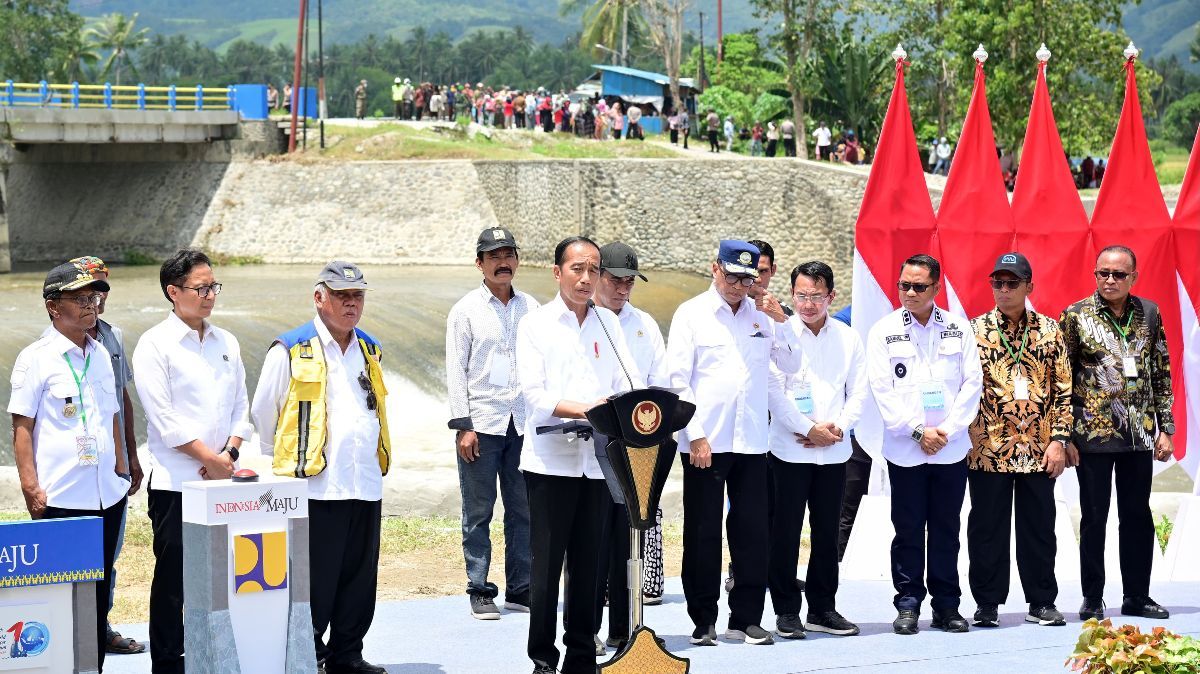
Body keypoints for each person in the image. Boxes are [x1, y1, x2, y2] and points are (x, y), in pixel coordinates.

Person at [251, 262, 390, 674]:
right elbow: (263, 412)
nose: (351, 303)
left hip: (364, 482)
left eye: (357, 296)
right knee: (315, 579)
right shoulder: (291, 348)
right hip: (315, 487)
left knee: (359, 578)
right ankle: (309, 651)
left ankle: (348, 653)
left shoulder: (369, 347)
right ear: (319, 297)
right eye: (342, 295)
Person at [666, 240, 802, 647]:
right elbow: (677, 381)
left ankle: (745, 618)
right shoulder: (691, 314)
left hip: (752, 443)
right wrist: (696, 436)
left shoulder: (763, 317)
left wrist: (779, 319)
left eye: (748, 278)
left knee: (752, 533)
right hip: (706, 441)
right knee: (704, 532)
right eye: (732, 276)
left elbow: (792, 365)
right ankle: (703, 618)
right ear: (714, 269)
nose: (739, 285)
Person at [518, 237, 637, 674]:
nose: (586, 278)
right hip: (550, 463)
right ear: (557, 272)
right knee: (548, 567)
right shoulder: (536, 324)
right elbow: (535, 395)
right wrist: (592, 409)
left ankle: (582, 655)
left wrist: (628, 408)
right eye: (577, 269)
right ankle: (543, 659)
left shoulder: (608, 322)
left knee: (591, 565)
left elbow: (630, 381)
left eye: (593, 269)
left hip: (599, 462)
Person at [133, 249, 251, 674]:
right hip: (176, 483)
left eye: (213, 287)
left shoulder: (226, 341)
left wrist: (230, 454)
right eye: (201, 288)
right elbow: (164, 420)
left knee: (223, 574)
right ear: (173, 291)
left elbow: (242, 405)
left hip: (224, 479)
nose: (209, 296)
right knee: (174, 580)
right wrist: (208, 458)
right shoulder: (154, 344)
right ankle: (168, 662)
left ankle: (215, 655)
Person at [10, 261, 129, 673]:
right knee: (60, 598)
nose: (91, 305)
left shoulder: (99, 354)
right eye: (80, 298)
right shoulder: (36, 359)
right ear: (52, 306)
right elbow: (22, 427)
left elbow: (112, 414)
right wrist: (30, 486)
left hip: (105, 494)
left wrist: (121, 468)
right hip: (61, 498)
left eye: (94, 297)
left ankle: (92, 667)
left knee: (96, 597)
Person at [865, 253, 982, 635]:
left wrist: (946, 430)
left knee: (947, 530)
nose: (910, 293)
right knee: (909, 528)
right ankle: (908, 603)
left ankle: (948, 605)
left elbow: (971, 385)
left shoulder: (958, 328)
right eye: (904, 285)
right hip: (905, 449)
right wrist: (918, 431)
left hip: (949, 449)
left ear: (936, 287)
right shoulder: (883, 330)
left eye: (919, 286)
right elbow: (882, 391)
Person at [1059, 245, 1174, 622]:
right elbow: (1061, 378)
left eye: (1118, 275)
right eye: (1102, 274)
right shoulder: (1075, 316)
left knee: (1137, 516)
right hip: (1091, 435)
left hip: (1139, 435)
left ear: (1133, 278)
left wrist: (1166, 428)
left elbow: (1161, 371)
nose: (1109, 280)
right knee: (1094, 517)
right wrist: (1064, 436)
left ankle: (1137, 596)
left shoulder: (1150, 313)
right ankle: (1092, 597)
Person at [967, 253, 1072, 628]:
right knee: (986, 529)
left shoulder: (1050, 330)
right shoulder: (973, 331)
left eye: (1013, 283)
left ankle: (1041, 601)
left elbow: (1063, 391)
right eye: (998, 282)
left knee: (1039, 529)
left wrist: (1060, 439)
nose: (1004, 289)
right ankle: (987, 604)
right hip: (988, 448)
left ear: (1030, 286)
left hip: (1040, 449)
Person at [766, 261, 867, 640]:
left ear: (831, 297)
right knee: (785, 532)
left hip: (834, 452)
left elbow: (859, 391)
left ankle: (823, 608)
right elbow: (774, 390)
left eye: (816, 296)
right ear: (792, 295)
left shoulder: (848, 338)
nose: (808, 304)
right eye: (801, 295)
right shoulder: (779, 333)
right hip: (790, 450)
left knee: (826, 533)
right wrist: (808, 428)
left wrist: (837, 428)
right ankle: (787, 610)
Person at [444, 228, 537, 621]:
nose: (503, 262)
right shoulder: (465, 310)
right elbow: (455, 371)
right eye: (494, 256)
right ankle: (480, 590)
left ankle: (521, 588)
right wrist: (463, 426)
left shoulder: (533, 307)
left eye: (509, 254)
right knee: (478, 511)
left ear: (517, 260)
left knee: (524, 511)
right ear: (479, 263)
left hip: (522, 423)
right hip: (480, 425)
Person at [591, 242, 670, 650]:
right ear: (597, 275)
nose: (623, 288)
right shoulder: (585, 322)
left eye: (629, 282)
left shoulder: (646, 325)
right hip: (594, 441)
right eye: (616, 280)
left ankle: (624, 630)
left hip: (639, 443)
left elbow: (660, 381)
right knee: (594, 540)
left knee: (628, 540)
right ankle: (587, 630)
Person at [65, 256, 145, 656]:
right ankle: (70, 632)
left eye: (100, 290)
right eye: (87, 291)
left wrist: (130, 454)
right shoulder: (58, 344)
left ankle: (101, 625)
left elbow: (122, 399)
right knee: (72, 556)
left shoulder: (111, 338)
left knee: (107, 554)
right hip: (73, 473)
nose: (95, 298)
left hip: (110, 466)